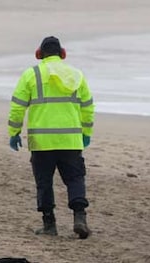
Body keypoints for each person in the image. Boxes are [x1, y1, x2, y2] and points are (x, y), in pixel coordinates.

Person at [8, 36, 95, 239]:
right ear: (62, 53)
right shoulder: (77, 75)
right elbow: (88, 108)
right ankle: (79, 217)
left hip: (41, 142)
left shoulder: (31, 75)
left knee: (44, 182)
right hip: (70, 140)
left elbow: (17, 107)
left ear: (39, 54)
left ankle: (49, 224)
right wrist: (86, 133)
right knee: (75, 179)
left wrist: (14, 132)